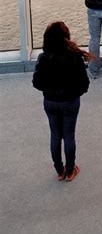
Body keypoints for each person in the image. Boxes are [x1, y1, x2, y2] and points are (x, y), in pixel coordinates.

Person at [32, 21, 90, 182]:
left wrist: (49, 91)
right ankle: (70, 170)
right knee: (69, 135)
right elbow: (84, 84)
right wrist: (73, 93)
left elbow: (36, 83)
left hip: (50, 102)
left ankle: (60, 170)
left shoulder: (43, 58)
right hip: (70, 102)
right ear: (66, 38)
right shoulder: (74, 56)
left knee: (55, 135)